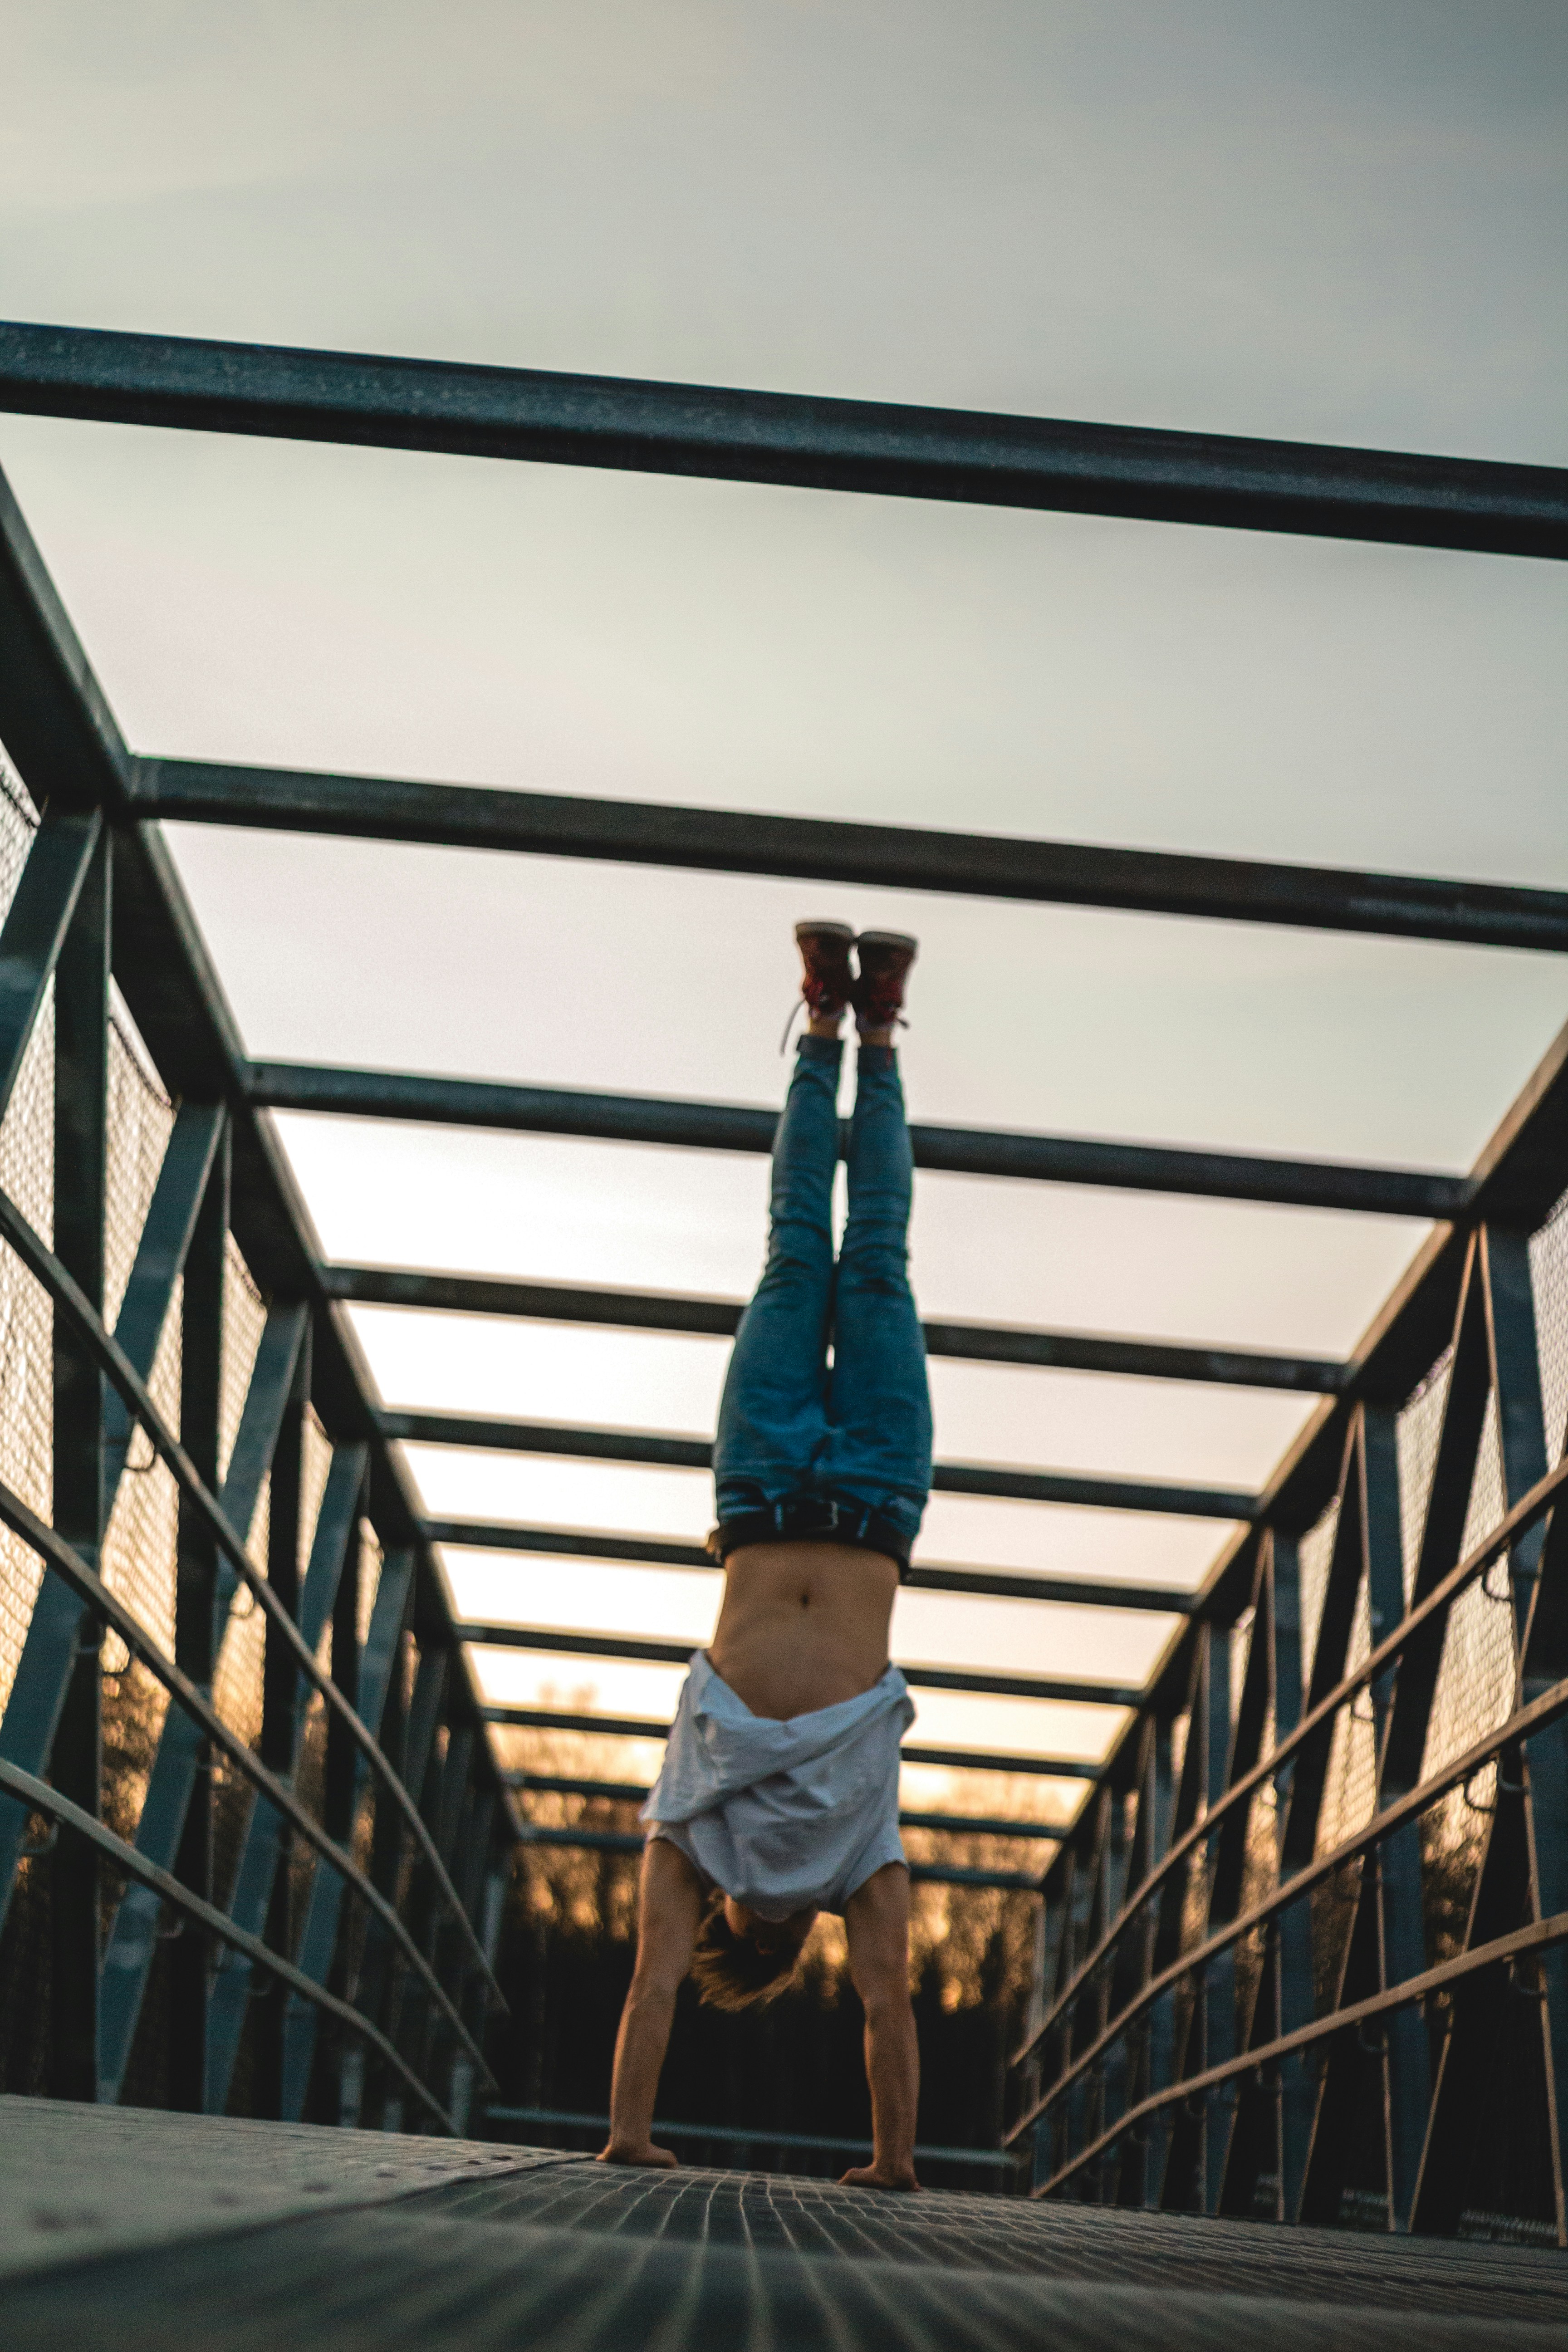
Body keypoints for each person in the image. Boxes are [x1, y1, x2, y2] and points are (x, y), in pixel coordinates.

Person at [597, 921, 932, 2192]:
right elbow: (887, 2004)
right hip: (875, 1492)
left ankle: (826, 1021)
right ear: (793, 1938)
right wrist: (891, 2162)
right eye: (770, 1937)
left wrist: (631, 2132)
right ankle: (878, 1030)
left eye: (745, 1930)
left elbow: (654, 1981)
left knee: (800, 1249)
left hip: (763, 1485)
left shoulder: (695, 1832)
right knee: (874, 1259)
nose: (760, 1914)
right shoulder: (855, 1859)